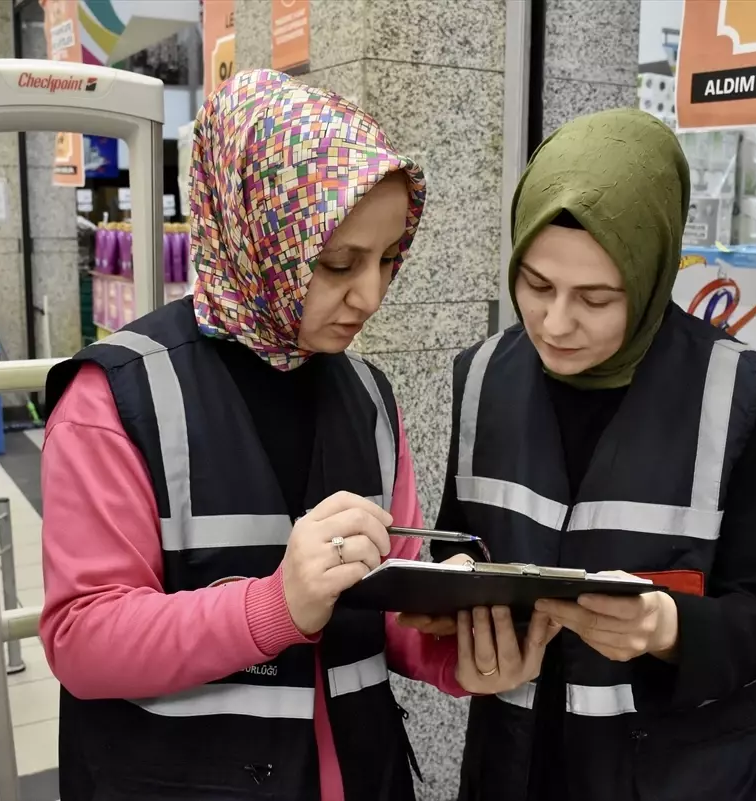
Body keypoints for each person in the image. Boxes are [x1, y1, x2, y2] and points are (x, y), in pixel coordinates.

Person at [38, 70, 552, 801]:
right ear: (257, 231)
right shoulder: (115, 399)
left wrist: (456, 654)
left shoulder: (369, 396)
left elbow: (388, 602)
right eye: (337, 263)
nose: (369, 296)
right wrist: (275, 605)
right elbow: (83, 640)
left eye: (386, 260)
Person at [410, 108, 756, 800]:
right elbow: (465, 543)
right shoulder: (481, 376)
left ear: (652, 273)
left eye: (596, 297)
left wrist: (668, 626)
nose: (555, 323)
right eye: (535, 285)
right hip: (517, 761)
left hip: (677, 769)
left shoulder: (744, 397)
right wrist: (445, 592)